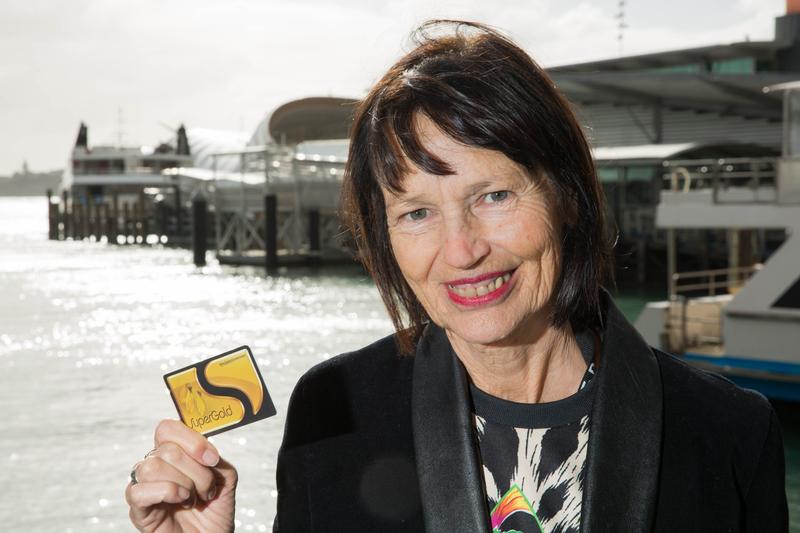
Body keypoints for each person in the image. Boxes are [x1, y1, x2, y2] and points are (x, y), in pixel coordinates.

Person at [126, 20, 788, 532]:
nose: (461, 249)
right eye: (416, 211)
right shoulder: (333, 409)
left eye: (493, 196)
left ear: (565, 196)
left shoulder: (727, 432)